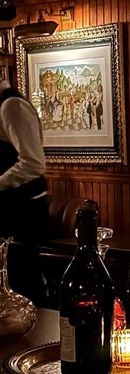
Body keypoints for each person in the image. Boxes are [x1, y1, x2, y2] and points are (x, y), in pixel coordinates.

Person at [0, 79, 49, 301]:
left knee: (22, 284)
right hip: (9, 209)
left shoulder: (12, 106)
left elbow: (34, 164)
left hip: (23, 213)